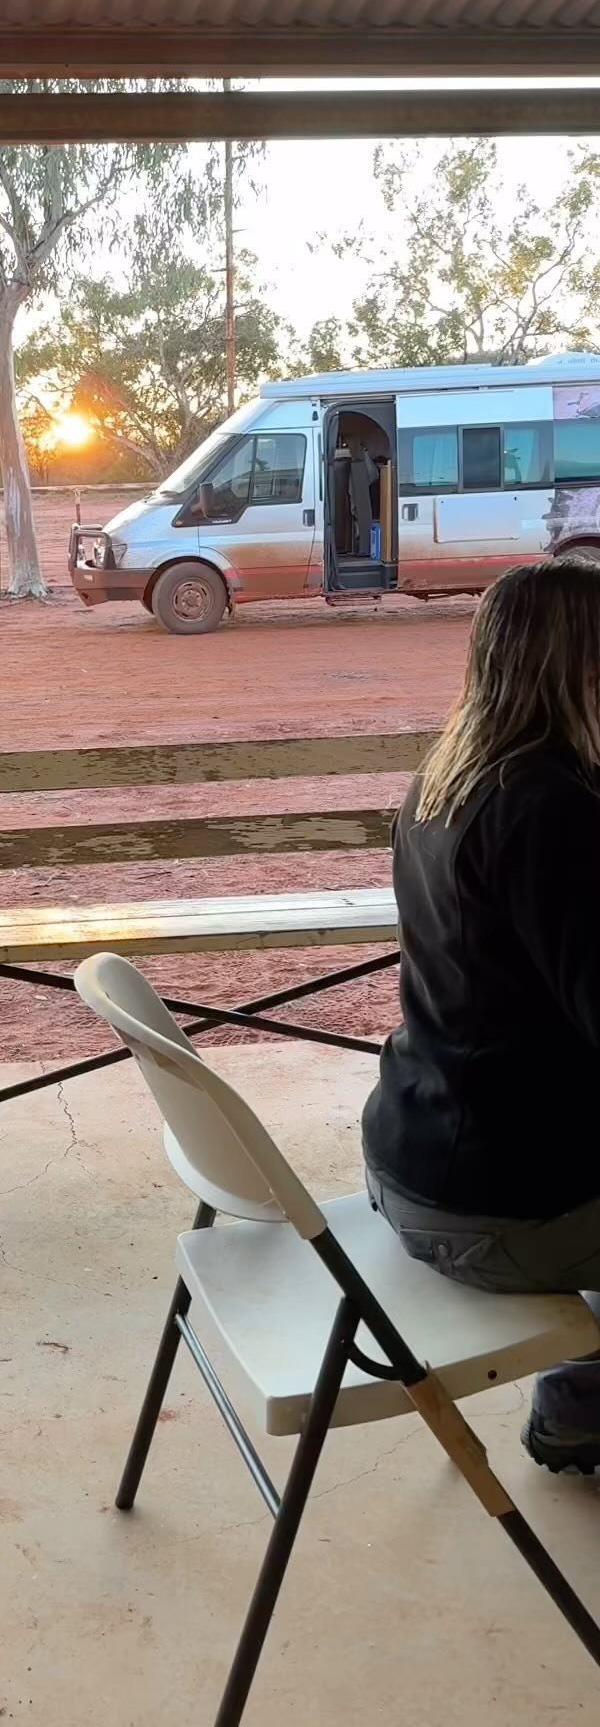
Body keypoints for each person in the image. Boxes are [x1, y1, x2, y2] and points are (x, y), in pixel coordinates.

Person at [362, 558, 600, 1475]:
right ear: (581, 670)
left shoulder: (447, 781)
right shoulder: (549, 810)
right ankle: (581, 1403)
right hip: (496, 1210)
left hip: (413, 1157)